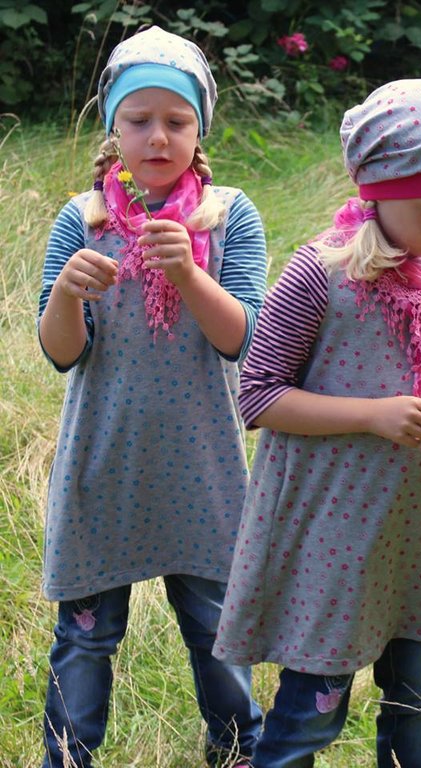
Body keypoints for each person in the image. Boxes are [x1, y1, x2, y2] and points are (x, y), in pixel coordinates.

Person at [213, 77, 421, 768]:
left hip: (418, 531)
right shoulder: (320, 275)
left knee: (418, 695)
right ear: (379, 188)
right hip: (333, 538)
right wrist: (373, 415)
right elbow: (258, 394)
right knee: (314, 706)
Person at [37, 25, 267, 768]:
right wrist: (69, 291)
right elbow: (60, 352)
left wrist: (189, 275)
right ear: (113, 128)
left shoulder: (228, 216)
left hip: (203, 464)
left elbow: (246, 341)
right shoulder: (86, 220)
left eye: (177, 121)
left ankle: (236, 748)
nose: (158, 137)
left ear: (199, 129)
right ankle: (68, 756)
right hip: (103, 461)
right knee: (85, 632)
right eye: (139, 121)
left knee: (215, 627)